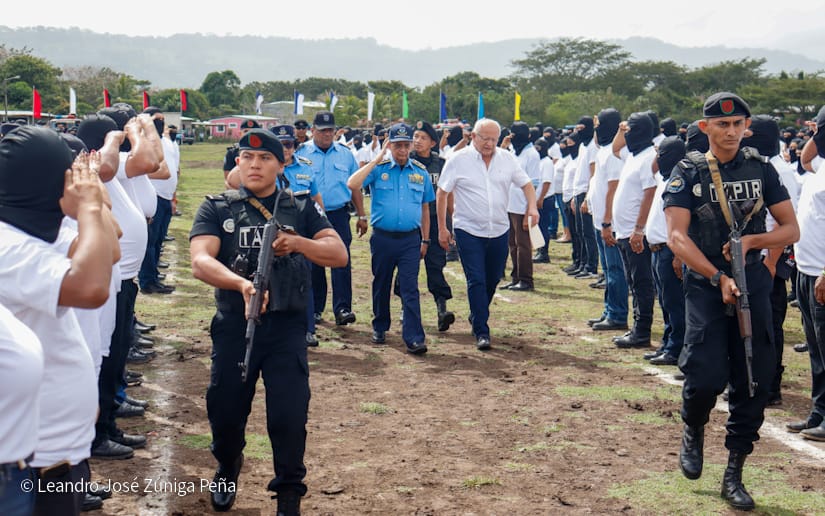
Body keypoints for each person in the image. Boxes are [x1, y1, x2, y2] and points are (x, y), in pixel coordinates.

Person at [189, 129, 347, 514]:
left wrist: (298, 243)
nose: (254, 165)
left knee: (289, 415)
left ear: (281, 164)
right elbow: (200, 261)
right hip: (235, 324)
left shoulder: (300, 207)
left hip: (286, 329)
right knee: (225, 410)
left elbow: (338, 253)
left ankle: (289, 491)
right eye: (247, 157)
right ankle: (228, 463)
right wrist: (242, 285)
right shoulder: (218, 208)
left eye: (264, 159)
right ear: (237, 162)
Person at [664, 92, 798, 511]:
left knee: (754, 376)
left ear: (747, 126)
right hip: (707, 283)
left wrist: (755, 243)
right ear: (705, 127)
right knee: (705, 374)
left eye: (738, 124)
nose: (731, 131)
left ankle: (734, 472)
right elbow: (677, 236)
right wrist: (716, 276)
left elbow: (790, 229)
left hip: (752, 279)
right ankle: (693, 426)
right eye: (722, 124)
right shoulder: (687, 171)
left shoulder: (761, 168)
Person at [0, 126, 116, 516]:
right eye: (70, 174)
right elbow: (92, 287)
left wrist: (92, 205)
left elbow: (110, 252)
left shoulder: (30, 233)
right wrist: (89, 208)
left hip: (55, 447)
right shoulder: (8, 246)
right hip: (32, 462)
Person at [436, 118, 538, 350]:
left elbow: (527, 184)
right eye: (485, 138)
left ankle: (477, 312)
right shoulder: (458, 160)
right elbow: (442, 193)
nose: (490, 144)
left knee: (492, 279)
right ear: (473, 137)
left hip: (499, 229)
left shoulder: (507, 159)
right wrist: (443, 227)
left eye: (494, 139)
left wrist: (532, 207)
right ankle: (482, 330)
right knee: (476, 279)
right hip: (468, 229)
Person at [347, 123, 433, 354]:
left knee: (410, 288)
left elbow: (425, 208)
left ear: (411, 146)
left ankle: (414, 337)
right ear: (390, 146)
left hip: (410, 240)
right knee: (382, 283)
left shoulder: (420, 172)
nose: (402, 150)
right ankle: (380, 325)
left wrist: (425, 239)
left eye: (406, 145)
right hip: (383, 238)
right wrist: (377, 158)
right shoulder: (379, 169)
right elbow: (353, 184)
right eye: (397, 146)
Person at [296, 111, 363, 326]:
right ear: (312, 130)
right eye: (322, 130)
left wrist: (362, 214)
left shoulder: (346, 154)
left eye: (330, 130)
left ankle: (342, 308)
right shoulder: (301, 153)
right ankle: (316, 309)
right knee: (314, 261)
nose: (327, 134)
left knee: (341, 260)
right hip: (311, 214)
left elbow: (355, 186)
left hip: (338, 213)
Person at [787, 111, 825, 440]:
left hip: (822, 274)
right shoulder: (820, 166)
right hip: (806, 270)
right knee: (816, 350)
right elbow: (805, 158)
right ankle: (819, 411)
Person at [270, 124, 325, 346]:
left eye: (289, 144)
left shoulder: (306, 168)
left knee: (304, 281)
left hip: (301, 234)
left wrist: (322, 230)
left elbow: (316, 199)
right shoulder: (264, 168)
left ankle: (308, 329)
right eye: (280, 145)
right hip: (272, 233)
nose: (285, 149)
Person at [610, 112, 658, 349]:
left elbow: (650, 193)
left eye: (630, 130)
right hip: (624, 231)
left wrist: (639, 229)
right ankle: (637, 328)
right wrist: (621, 130)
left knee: (641, 283)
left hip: (636, 233)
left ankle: (642, 331)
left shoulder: (649, 157)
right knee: (633, 281)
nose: (627, 135)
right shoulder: (633, 154)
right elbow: (615, 148)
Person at [644, 136, 687, 365]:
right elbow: (653, 167)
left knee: (674, 303)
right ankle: (667, 343)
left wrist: (679, 256)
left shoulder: (678, 182)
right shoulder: (664, 178)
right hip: (657, 250)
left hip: (669, 251)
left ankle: (675, 348)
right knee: (664, 301)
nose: (658, 159)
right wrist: (657, 152)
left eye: (662, 154)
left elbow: (682, 225)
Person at [409, 120, 455, 331]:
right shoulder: (407, 161)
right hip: (412, 221)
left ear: (433, 143)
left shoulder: (441, 164)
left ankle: (441, 309)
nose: (418, 141)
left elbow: (449, 195)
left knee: (435, 265)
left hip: (436, 220)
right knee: (408, 267)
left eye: (423, 138)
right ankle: (406, 309)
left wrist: (450, 224)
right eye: (416, 137)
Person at [588, 108, 629, 332]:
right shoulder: (603, 150)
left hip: (609, 223)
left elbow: (613, 189)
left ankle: (617, 314)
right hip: (599, 221)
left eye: (599, 125)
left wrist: (607, 222)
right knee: (607, 269)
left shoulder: (614, 154)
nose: (596, 129)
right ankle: (608, 310)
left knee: (615, 270)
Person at [502, 121, 542, 291]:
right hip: (510, 205)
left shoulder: (531, 154)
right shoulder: (513, 152)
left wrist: (528, 212)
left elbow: (534, 184)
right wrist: (504, 146)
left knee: (523, 245)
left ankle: (526, 280)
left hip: (523, 206)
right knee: (512, 243)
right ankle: (516, 277)